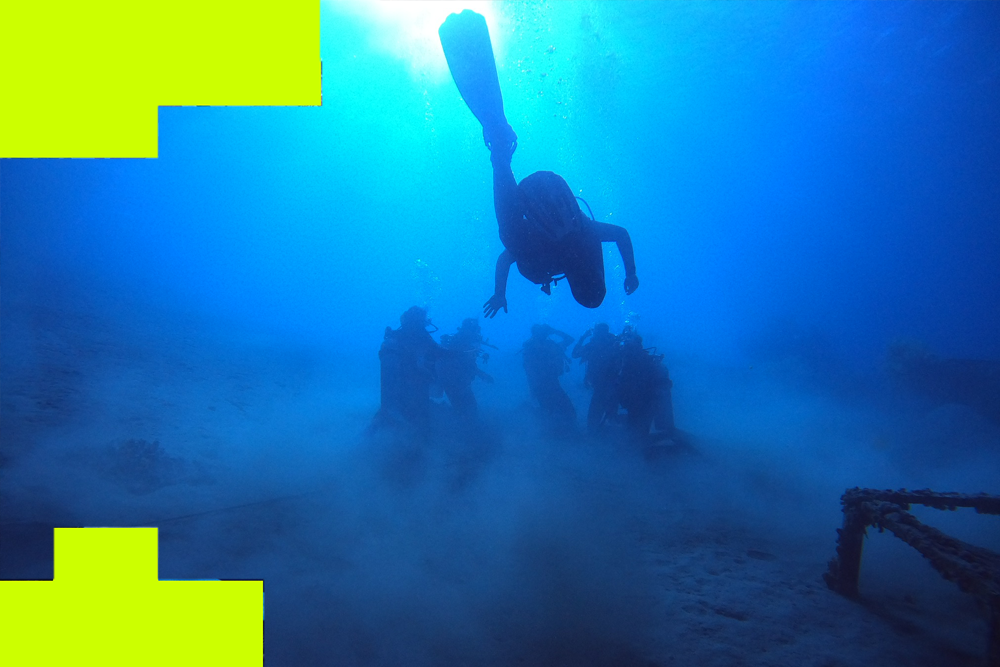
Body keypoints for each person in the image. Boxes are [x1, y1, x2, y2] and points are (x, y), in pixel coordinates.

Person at [481, 127, 639, 317]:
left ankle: (501, 156)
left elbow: (621, 234)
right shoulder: (582, 239)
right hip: (526, 222)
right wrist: (500, 293)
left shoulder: (586, 236)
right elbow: (505, 259)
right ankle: (500, 157)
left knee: (514, 239)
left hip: (533, 215)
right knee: (511, 237)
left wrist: (631, 273)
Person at [373, 306, 445, 432]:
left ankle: (368, 440)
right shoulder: (421, 335)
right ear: (418, 320)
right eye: (423, 319)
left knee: (389, 410)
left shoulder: (396, 337)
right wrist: (460, 353)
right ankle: (418, 445)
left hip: (399, 384)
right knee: (419, 418)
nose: (426, 322)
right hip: (414, 384)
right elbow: (438, 352)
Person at [617, 326, 676, 440]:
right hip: (637, 399)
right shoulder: (631, 359)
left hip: (643, 399)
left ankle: (638, 449)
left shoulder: (639, 360)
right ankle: (637, 447)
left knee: (638, 429)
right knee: (636, 427)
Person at [437, 318, 495, 416]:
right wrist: (482, 374)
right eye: (476, 329)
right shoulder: (460, 342)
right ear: (469, 329)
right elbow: (464, 364)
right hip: (454, 380)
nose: (478, 332)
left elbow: (468, 362)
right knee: (466, 409)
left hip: (458, 380)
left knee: (465, 408)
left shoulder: (465, 341)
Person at [521, 324, 576, 425]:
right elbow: (528, 369)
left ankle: (559, 431)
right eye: (542, 332)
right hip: (541, 383)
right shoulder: (532, 347)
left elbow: (570, 339)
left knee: (561, 409)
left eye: (544, 332)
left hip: (551, 382)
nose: (544, 335)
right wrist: (555, 331)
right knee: (549, 410)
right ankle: (552, 431)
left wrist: (554, 331)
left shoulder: (550, 345)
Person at [572, 323, 622, 431]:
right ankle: (603, 433)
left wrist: (583, 337)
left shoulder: (609, 345)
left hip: (606, 384)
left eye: (597, 332)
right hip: (606, 384)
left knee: (596, 414)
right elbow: (575, 354)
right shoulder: (608, 344)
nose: (596, 334)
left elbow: (575, 354)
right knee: (606, 412)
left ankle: (595, 435)